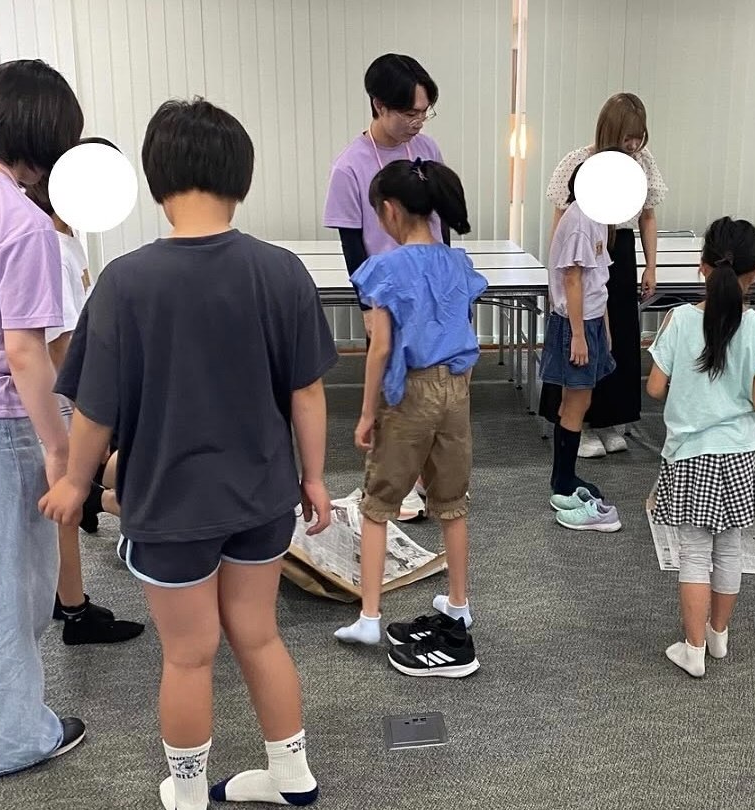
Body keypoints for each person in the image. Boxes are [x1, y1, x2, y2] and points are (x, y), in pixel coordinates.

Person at [40, 98, 336, 809]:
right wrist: (315, 478)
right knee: (259, 637)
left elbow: (95, 408)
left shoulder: (125, 282)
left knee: (188, 654)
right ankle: (291, 776)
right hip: (263, 496)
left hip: (170, 505)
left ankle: (190, 791)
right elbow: (307, 393)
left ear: (155, 181)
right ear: (243, 178)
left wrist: (75, 482)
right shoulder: (282, 272)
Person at [334, 157, 485, 681]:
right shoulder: (457, 263)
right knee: (452, 501)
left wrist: (366, 413)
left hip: (412, 392)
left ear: (390, 210)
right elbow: (462, 328)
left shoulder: (386, 269)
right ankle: (459, 604)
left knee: (378, 503)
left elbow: (379, 349)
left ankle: (370, 616)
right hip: (456, 389)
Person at [0, 58, 86, 778]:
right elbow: (25, 351)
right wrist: (59, 448)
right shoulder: (21, 222)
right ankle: (12, 737)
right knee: (12, 586)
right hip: (0, 424)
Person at [645, 217, 755, 676]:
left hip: (690, 454)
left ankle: (692, 650)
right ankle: (718, 637)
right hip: (741, 453)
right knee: (729, 549)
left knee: (694, 554)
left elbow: (655, 388)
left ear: (702, 266)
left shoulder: (678, 320)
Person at [24, 143, 144, 646]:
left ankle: (66, 596)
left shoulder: (67, 238)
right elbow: (59, 342)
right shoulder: (50, 244)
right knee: (67, 503)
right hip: (62, 395)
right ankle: (75, 612)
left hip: (74, 387)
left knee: (76, 497)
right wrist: (90, 408)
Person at [323, 53, 448, 523]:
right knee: (392, 391)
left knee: (431, 387)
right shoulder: (350, 166)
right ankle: (395, 484)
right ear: (379, 104)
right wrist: (366, 306)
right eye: (409, 113)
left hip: (431, 288)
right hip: (386, 295)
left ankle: (426, 477)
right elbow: (352, 243)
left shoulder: (427, 150)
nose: (418, 122)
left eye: (424, 112)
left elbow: (442, 223)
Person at [539, 92, 667, 458]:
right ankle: (579, 421)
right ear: (610, 131)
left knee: (618, 338)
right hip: (585, 250)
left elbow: (647, 217)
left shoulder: (642, 162)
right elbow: (560, 222)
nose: (633, 144)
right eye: (627, 137)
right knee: (582, 333)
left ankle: (610, 419)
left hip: (620, 249)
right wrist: (559, 274)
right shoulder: (579, 162)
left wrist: (651, 266)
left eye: (639, 137)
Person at [539, 159, 619, 531]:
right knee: (575, 402)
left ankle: (564, 476)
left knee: (579, 400)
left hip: (590, 318)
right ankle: (563, 480)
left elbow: (596, 279)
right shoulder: (579, 219)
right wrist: (577, 334)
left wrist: (603, 327)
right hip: (576, 322)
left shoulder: (597, 217)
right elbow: (571, 278)